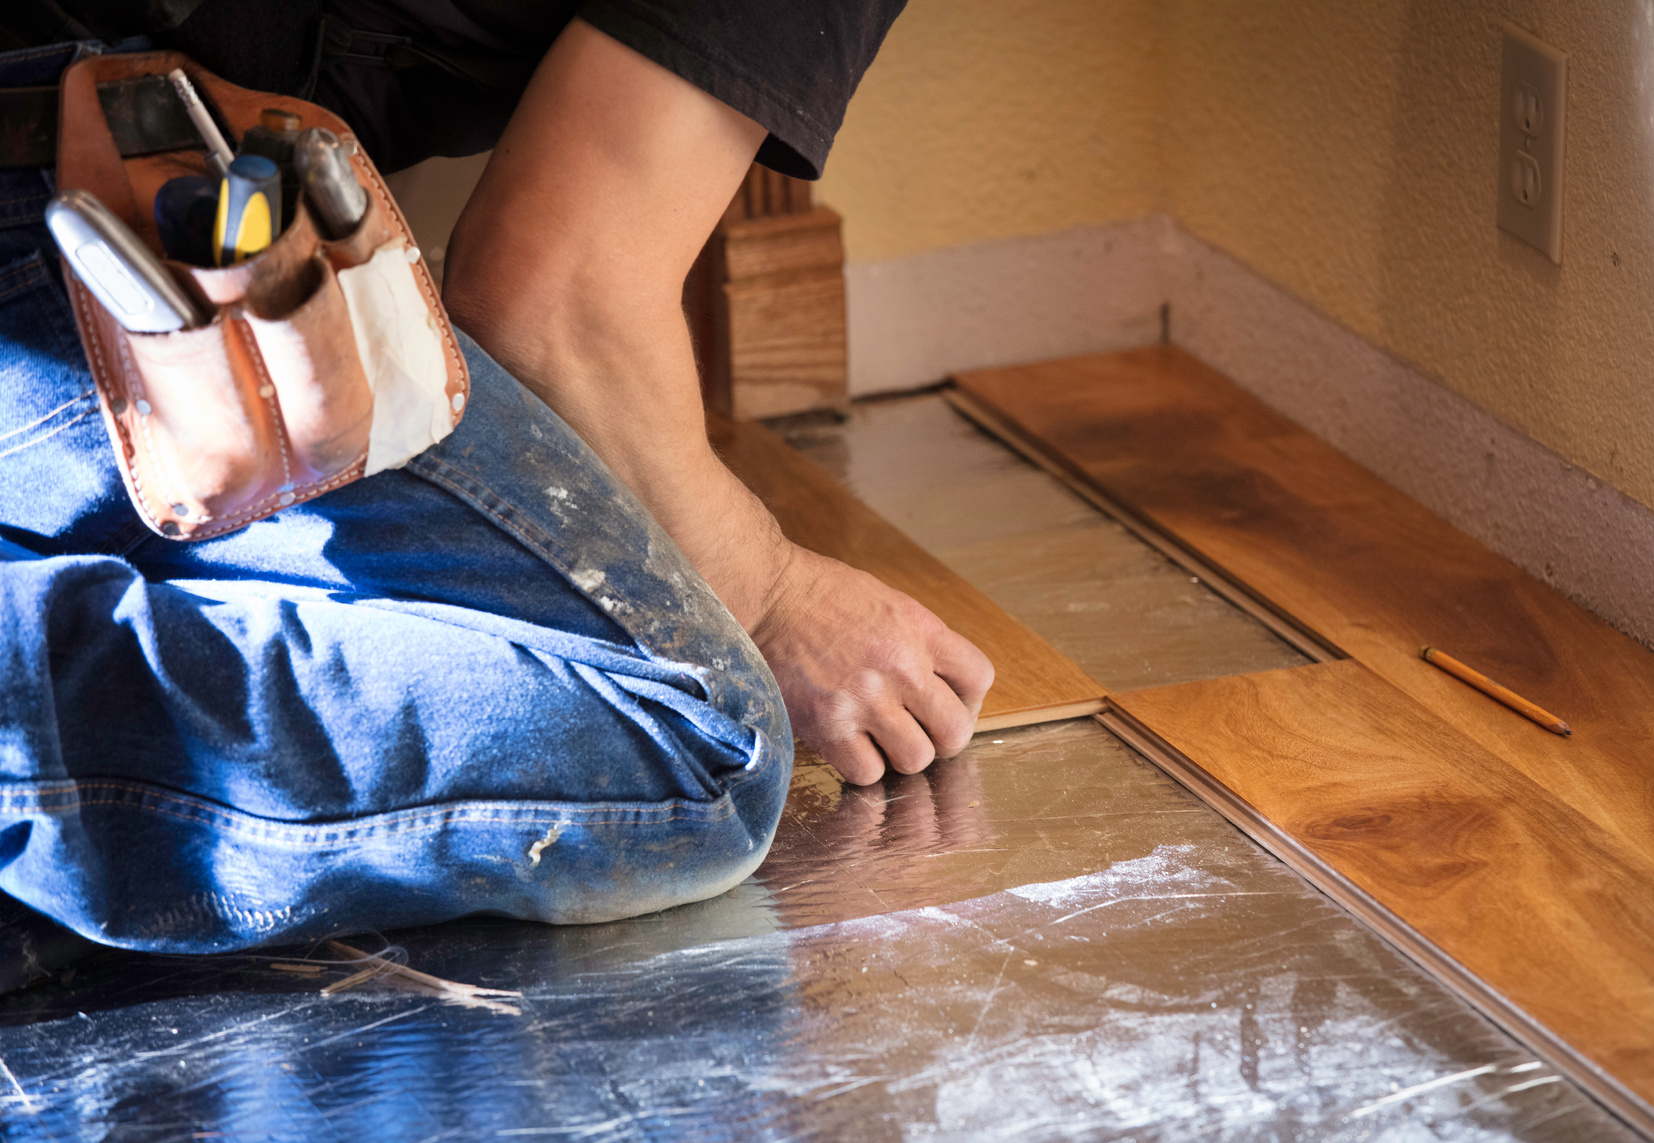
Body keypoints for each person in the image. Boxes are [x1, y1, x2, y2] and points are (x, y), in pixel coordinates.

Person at [0, 2, 993, 957]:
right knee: (694, 751)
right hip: (72, 195)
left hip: (81, 186)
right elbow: (550, 311)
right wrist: (773, 595)